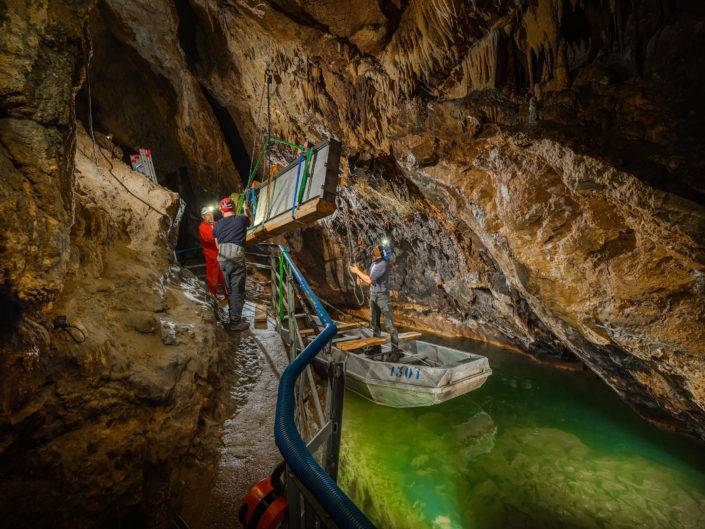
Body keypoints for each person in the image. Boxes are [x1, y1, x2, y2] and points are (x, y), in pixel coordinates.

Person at [213, 195, 253, 331]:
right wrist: (246, 209)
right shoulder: (241, 219)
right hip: (236, 258)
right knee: (237, 291)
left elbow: (217, 244)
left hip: (222, 260)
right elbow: (251, 220)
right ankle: (235, 322)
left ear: (221, 210)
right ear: (235, 208)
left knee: (229, 290)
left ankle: (234, 317)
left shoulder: (217, 224)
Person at [349, 245, 399, 349]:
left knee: (389, 325)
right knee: (374, 323)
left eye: (377, 249)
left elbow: (370, 280)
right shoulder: (374, 264)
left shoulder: (383, 264)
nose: (374, 249)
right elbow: (371, 282)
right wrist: (361, 283)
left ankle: (395, 350)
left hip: (382, 297)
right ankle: (376, 348)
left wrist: (357, 271)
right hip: (373, 296)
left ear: (380, 253)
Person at [198, 206, 227, 299]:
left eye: (211, 214)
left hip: (221, 253)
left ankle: (228, 296)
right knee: (212, 279)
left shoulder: (216, 223)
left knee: (225, 277)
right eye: (207, 214)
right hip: (211, 256)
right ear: (203, 217)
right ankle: (214, 298)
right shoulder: (202, 227)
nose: (210, 216)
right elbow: (208, 239)